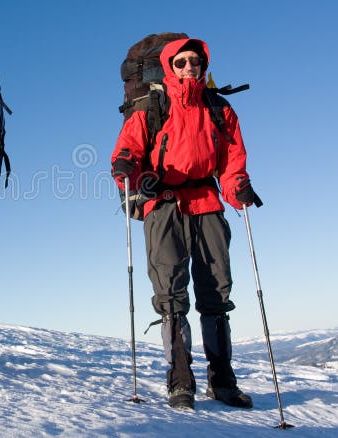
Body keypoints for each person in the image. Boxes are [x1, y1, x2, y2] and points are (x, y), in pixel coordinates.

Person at [111, 37, 261, 410]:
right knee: (171, 295)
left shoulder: (218, 107)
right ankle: (181, 381)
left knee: (216, 292)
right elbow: (127, 149)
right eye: (181, 62)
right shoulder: (152, 106)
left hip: (207, 203)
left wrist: (237, 186)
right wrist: (127, 167)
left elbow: (230, 159)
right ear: (168, 66)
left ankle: (222, 381)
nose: (189, 67)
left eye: (196, 61)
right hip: (163, 203)